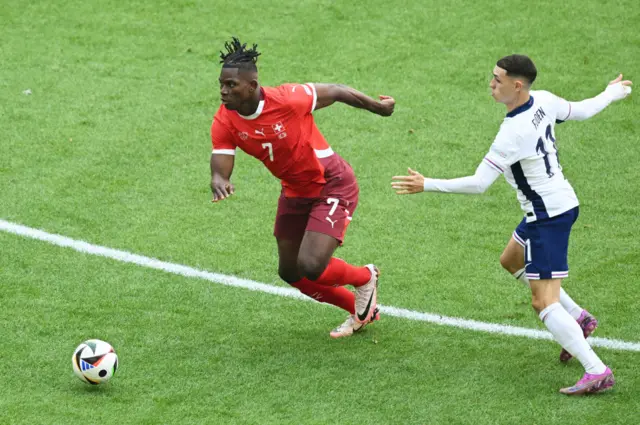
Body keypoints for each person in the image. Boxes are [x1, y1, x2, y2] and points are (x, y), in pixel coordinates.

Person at [391, 54, 632, 395]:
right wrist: (611, 93)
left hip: (546, 217)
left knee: (543, 302)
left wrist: (427, 183)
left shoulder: (512, 133)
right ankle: (578, 317)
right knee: (511, 260)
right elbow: (581, 109)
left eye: (497, 79)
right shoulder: (544, 100)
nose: (491, 83)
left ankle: (596, 370)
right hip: (559, 203)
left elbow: (479, 183)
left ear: (516, 85)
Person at [210, 37, 395, 338]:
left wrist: (379, 108)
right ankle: (361, 309)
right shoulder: (225, 120)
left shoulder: (286, 99)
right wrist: (220, 179)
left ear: (252, 84)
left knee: (310, 264)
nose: (223, 90)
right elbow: (221, 156)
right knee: (290, 271)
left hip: (332, 184)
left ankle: (365, 278)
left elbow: (335, 91)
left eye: (231, 85)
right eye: (221, 84)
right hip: (295, 191)